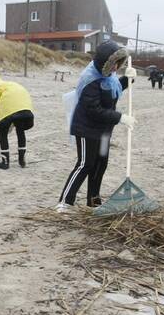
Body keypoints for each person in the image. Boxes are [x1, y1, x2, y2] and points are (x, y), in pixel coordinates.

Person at [56, 41, 134, 212]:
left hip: (105, 132)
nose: (116, 67)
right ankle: (64, 202)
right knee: (85, 164)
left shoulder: (109, 77)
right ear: (104, 63)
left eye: (118, 64)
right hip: (86, 129)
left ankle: (93, 201)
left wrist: (128, 79)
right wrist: (120, 117)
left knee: (101, 164)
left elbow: (114, 91)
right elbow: (94, 110)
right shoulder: (90, 79)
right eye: (113, 63)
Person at [0, 74, 34, 169]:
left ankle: (5, 162)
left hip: (13, 109)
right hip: (26, 109)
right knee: (20, 130)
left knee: (2, 132)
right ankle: (22, 160)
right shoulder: (9, 84)